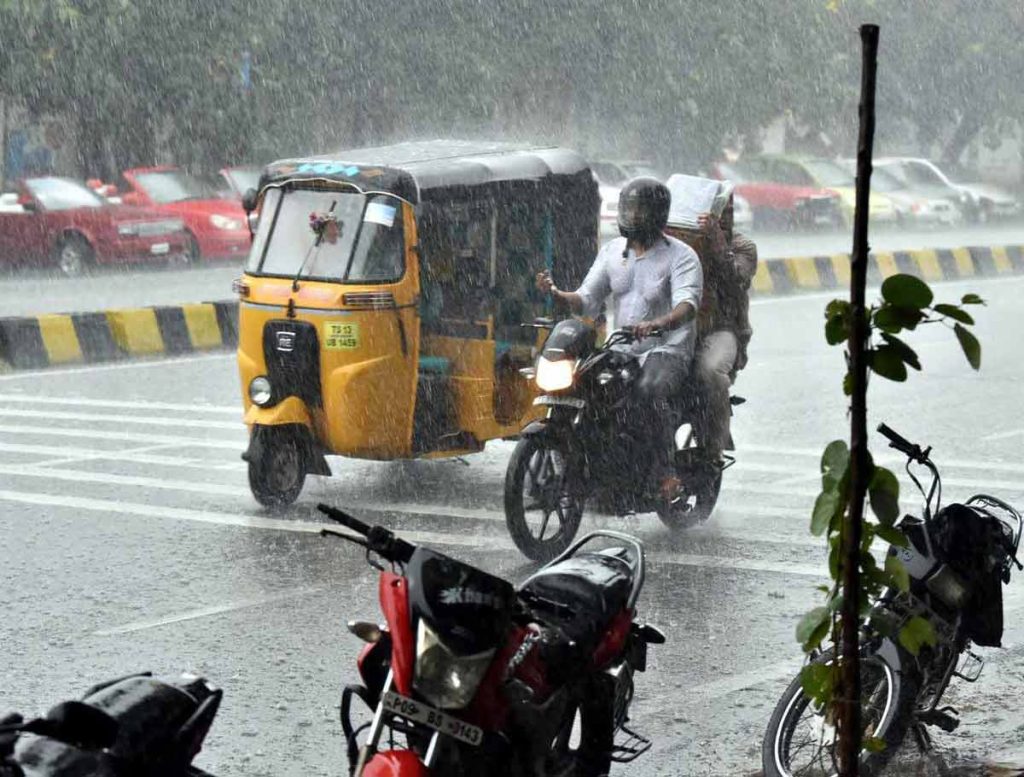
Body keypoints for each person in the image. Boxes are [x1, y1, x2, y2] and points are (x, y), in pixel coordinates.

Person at [536, 177, 703, 497]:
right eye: (629, 209)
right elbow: (586, 299)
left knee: (647, 392)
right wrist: (556, 293)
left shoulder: (682, 256)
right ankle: (598, 462)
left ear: (657, 214)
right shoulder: (613, 251)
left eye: (640, 211)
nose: (633, 216)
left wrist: (657, 324)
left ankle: (665, 472)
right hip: (622, 346)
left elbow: (687, 306)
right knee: (584, 386)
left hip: (667, 349)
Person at [693, 194, 757, 464]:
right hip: (677, 326)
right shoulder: (683, 242)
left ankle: (715, 446)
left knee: (709, 371)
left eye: (728, 210)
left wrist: (717, 242)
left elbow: (735, 279)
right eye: (719, 210)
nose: (724, 216)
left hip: (721, 328)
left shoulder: (743, 247)